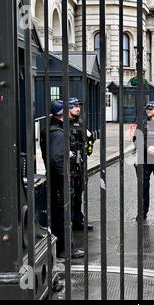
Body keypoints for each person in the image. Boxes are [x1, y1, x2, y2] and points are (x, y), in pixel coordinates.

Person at [40, 100, 85, 259]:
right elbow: (57, 159)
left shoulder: (49, 129)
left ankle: (62, 247)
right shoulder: (58, 133)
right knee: (63, 216)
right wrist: (66, 177)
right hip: (60, 182)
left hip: (56, 180)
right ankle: (66, 248)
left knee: (60, 215)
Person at [68, 97, 96, 231]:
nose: (78, 108)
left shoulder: (81, 123)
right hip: (68, 164)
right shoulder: (63, 124)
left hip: (80, 163)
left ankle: (78, 220)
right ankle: (67, 222)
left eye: (79, 106)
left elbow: (90, 140)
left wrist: (88, 150)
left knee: (79, 193)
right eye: (74, 106)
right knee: (68, 194)